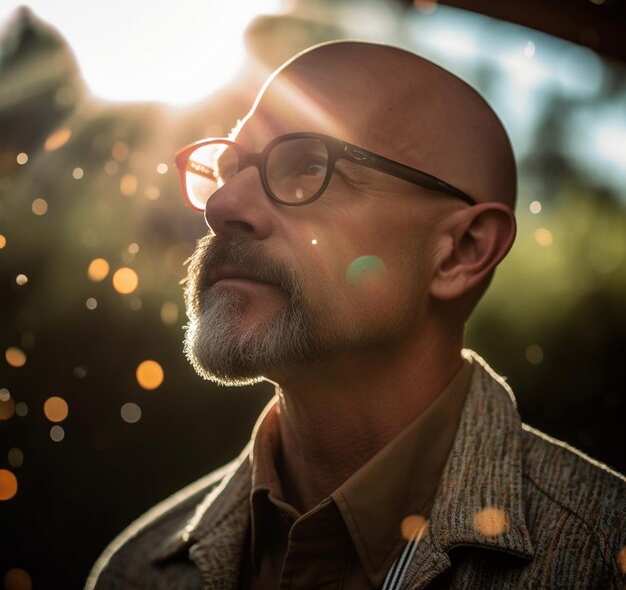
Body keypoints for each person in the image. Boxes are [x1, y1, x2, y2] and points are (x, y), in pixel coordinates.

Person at [86, 41, 626, 589]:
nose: (221, 206)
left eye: (309, 166)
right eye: (227, 170)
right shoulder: (137, 571)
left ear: (462, 250)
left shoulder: (603, 560)